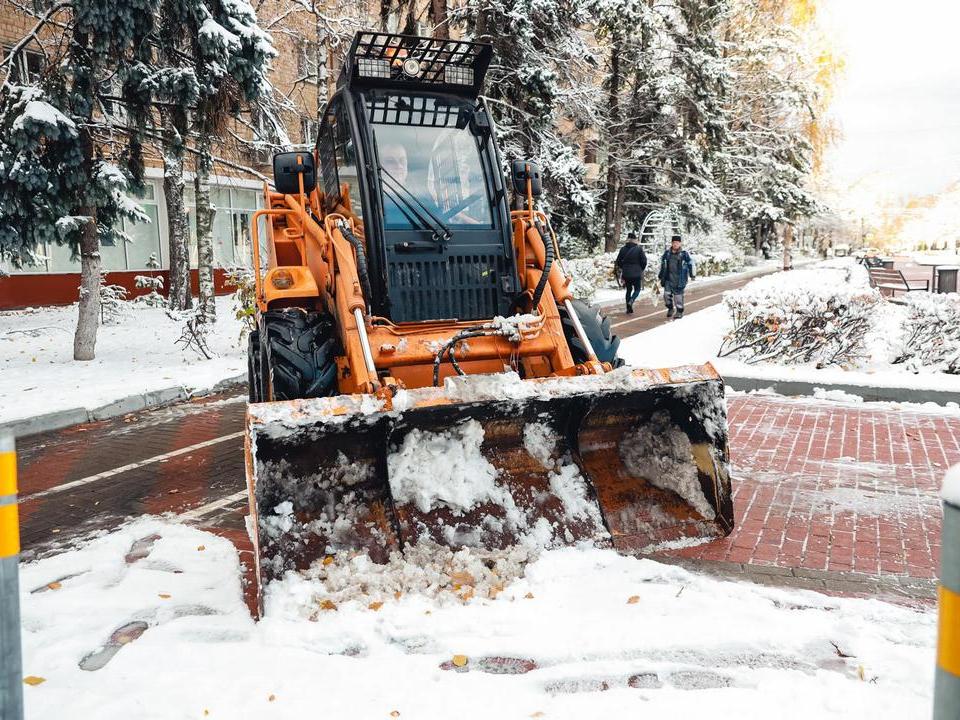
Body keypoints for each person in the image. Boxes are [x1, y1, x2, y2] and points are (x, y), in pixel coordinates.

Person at [658, 235, 695, 319]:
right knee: (666, 295)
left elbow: (690, 264)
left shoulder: (684, 254)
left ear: (680, 243)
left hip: (679, 279)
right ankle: (670, 308)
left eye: (677, 243)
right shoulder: (667, 253)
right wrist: (660, 276)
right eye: (674, 242)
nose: (675, 244)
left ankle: (679, 311)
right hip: (668, 278)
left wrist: (692, 275)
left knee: (678, 297)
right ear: (671, 243)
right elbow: (663, 265)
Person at [614, 232, 647, 314]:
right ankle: (631, 301)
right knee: (637, 289)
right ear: (635, 240)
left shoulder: (623, 249)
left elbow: (618, 261)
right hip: (636, 273)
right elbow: (644, 261)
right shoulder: (639, 249)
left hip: (626, 273)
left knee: (628, 290)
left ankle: (628, 308)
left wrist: (624, 267)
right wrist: (640, 268)